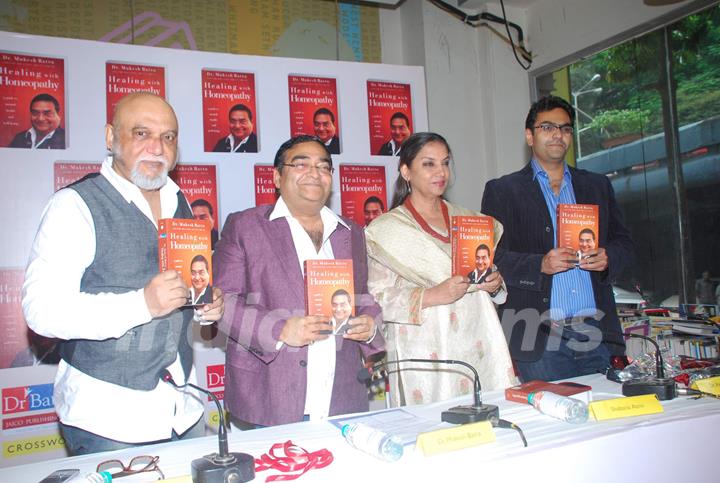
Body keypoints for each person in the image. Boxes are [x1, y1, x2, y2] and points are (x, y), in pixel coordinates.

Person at [22, 92, 225, 455]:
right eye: (141, 133)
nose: (157, 148)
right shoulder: (74, 206)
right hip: (109, 420)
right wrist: (142, 304)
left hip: (185, 408)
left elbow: (179, 293)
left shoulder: (179, 202)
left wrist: (202, 302)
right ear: (111, 138)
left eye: (168, 137)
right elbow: (42, 312)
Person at [213, 135, 384, 427]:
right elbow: (222, 302)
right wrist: (280, 330)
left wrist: (369, 327)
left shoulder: (351, 232)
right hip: (270, 397)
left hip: (341, 398)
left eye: (323, 166)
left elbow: (362, 297)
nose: (314, 173)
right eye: (301, 164)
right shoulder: (246, 226)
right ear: (278, 177)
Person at [481, 95, 634, 382]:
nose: (558, 135)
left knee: (606, 419)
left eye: (565, 128)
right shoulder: (503, 190)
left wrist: (608, 257)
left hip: (596, 331)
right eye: (547, 127)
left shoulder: (597, 185)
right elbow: (491, 260)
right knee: (555, 421)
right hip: (537, 335)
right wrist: (540, 264)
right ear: (529, 135)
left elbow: (625, 244)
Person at [365, 132, 515, 407]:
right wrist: (432, 295)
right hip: (425, 345)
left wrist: (494, 283)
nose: (441, 172)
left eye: (445, 163)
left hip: (478, 336)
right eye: (429, 164)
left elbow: (484, 275)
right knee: (436, 433)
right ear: (406, 171)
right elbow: (377, 299)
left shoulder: (469, 219)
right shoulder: (387, 231)